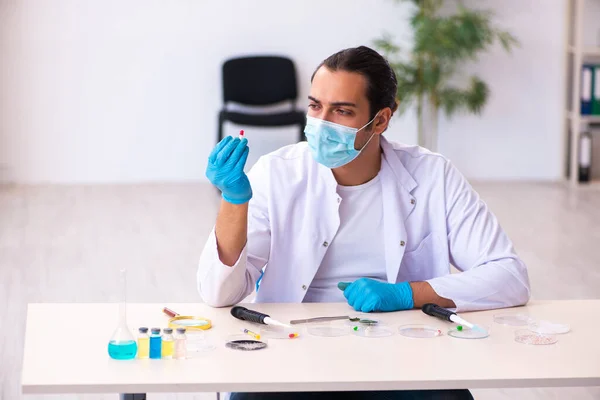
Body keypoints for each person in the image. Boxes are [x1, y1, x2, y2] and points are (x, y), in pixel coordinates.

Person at [198, 46, 530, 400]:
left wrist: (409, 293)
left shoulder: (434, 175)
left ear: (381, 120)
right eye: (315, 106)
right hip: (294, 347)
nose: (323, 122)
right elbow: (220, 293)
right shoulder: (277, 173)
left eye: (342, 111)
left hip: (401, 346)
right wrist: (234, 201)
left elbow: (509, 276)